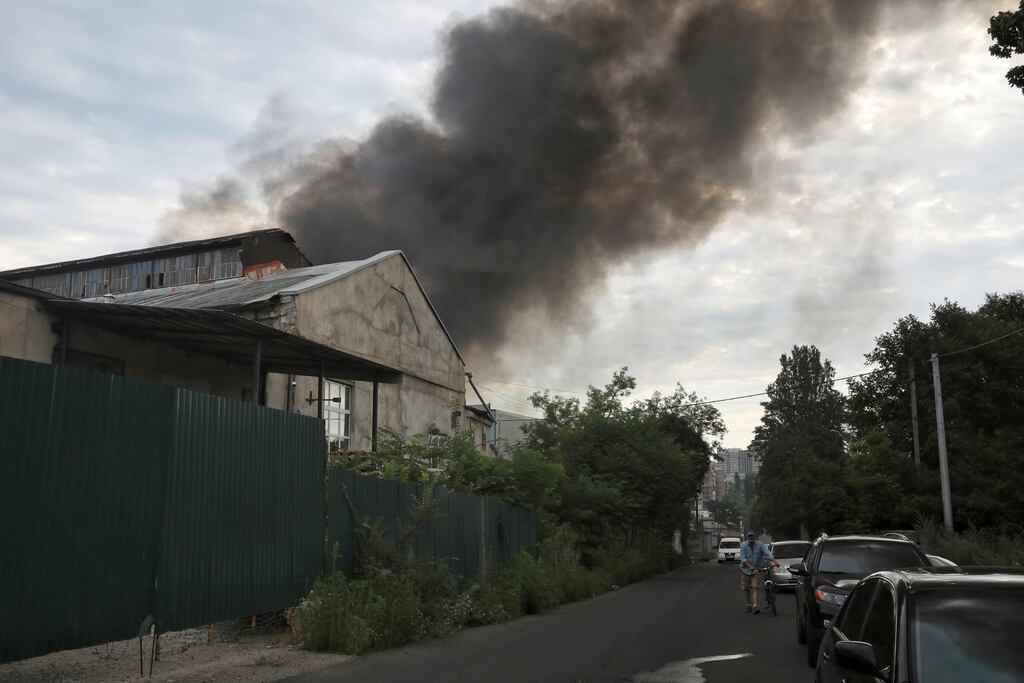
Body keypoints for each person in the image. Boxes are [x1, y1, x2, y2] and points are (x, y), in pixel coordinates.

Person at [739, 529, 778, 615]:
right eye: (749, 536)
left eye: (752, 536)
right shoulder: (743, 545)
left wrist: (774, 561)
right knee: (746, 588)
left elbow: (767, 553)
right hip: (745, 569)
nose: (751, 538)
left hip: (756, 569)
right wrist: (750, 567)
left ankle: (755, 606)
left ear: (754, 537)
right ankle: (748, 604)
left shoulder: (759, 545)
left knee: (755, 586)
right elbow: (743, 559)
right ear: (747, 537)